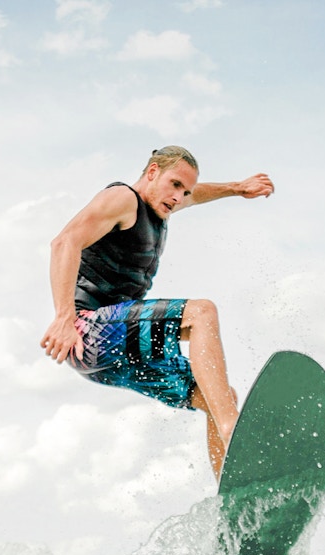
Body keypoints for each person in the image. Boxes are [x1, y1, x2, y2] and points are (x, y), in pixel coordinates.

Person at [40, 146, 275, 481]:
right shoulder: (123, 199)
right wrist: (64, 317)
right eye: (175, 184)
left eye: (185, 192)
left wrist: (237, 188)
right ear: (152, 172)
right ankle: (231, 427)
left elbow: (198, 194)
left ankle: (233, 494)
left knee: (219, 395)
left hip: (111, 356)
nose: (180, 197)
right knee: (201, 313)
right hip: (88, 331)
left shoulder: (161, 207)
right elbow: (64, 242)